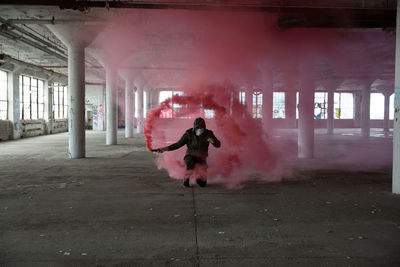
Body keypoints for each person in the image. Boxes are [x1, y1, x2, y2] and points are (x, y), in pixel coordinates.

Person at [153, 117, 221, 187]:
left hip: (202, 157)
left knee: (202, 184)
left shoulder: (209, 134)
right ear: (194, 127)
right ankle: (186, 178)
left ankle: (198, 177)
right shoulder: (189, 134)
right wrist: (165, 149)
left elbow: (218, 145)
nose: (200, 129)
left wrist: (213, 142)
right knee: (190, 163)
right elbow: (178, 144)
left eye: (201, 127)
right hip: (191, 155)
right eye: (198, 127)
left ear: (204, 127)